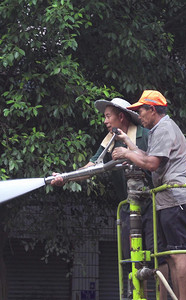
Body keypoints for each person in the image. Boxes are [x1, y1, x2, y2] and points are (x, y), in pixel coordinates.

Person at [48, 97, 168, 298]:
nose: (105, 121)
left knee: (158, 256)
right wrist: (66, 177)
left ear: (121, 116)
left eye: (108, 116)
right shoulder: (109, 140)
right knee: (131, 258)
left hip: (152, 204)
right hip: (129, 207)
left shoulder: (145, 135)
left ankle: (162, 297)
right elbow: (92, 167)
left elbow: (158, 164)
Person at [112, 90, 186, 300]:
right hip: (167, 200)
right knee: (170, 256)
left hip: (176, 199)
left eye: (141, 111)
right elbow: (148, 156)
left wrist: (126, 153)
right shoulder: (159, 129)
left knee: (177, 253)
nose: (139, 116)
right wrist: (128, 144)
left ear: (153, 110)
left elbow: (151, 164)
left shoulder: (164, 128)